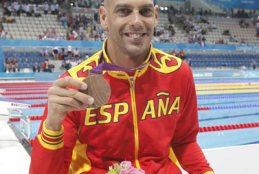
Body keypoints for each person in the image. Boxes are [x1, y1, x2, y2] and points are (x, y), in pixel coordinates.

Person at [30, 0, 214, 174]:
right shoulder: (76, 84)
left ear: (156, 16)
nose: (136, 21)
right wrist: (52, 127)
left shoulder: (178, 73)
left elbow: (185, 142)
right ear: (103, 17)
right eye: (124, 11)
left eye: (145, 11)